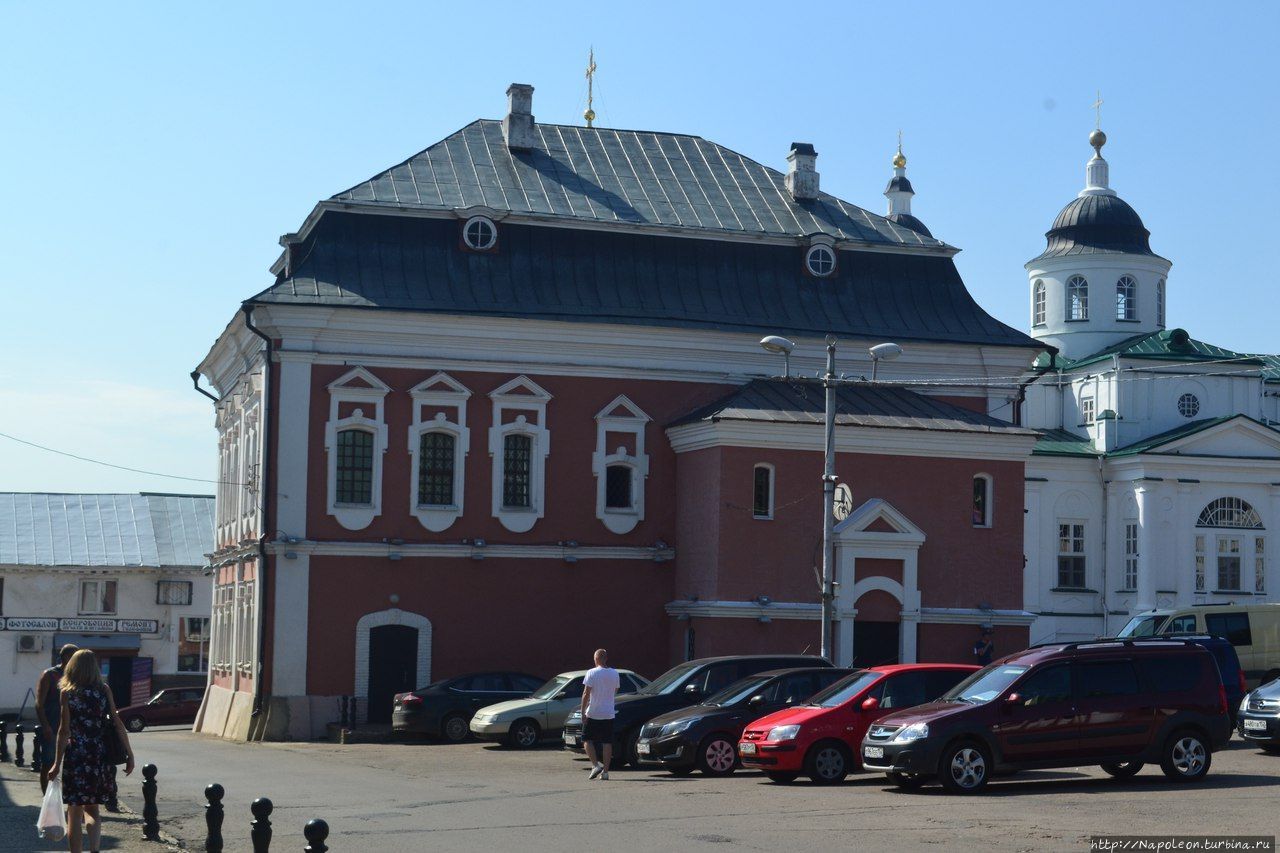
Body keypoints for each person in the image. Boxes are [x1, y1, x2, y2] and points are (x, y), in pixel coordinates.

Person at [48, 649, 136, 853]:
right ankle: (95, 849)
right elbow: (117, 723)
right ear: (94, 668)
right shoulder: (104, 690)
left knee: (75, 811)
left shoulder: (67, 693)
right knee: (93, 809)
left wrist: (56, 763)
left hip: (76, 755)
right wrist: (129, 754)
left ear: (72, 667)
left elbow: (63, 730)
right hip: (98, 755)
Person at [36, 643, 78, 793]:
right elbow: (39, 704)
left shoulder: (77, 676)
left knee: (71, 764)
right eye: (75, 656)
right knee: (48, 762)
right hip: (52, 725)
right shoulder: (50, 674)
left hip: (72, 727)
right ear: (67, 657)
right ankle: (46, 797)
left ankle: (66, 797)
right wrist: (45, 726)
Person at [580, 648, 620, 782]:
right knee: (607, 742)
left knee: (586, 739)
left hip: (593, 712)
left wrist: (582, 712)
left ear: (596, 659)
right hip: (608, 713)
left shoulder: (591, 672)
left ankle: (595, 765)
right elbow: (615, 691)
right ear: (606, 658)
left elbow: (586, 693)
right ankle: (606, 772)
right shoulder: (615, 673)